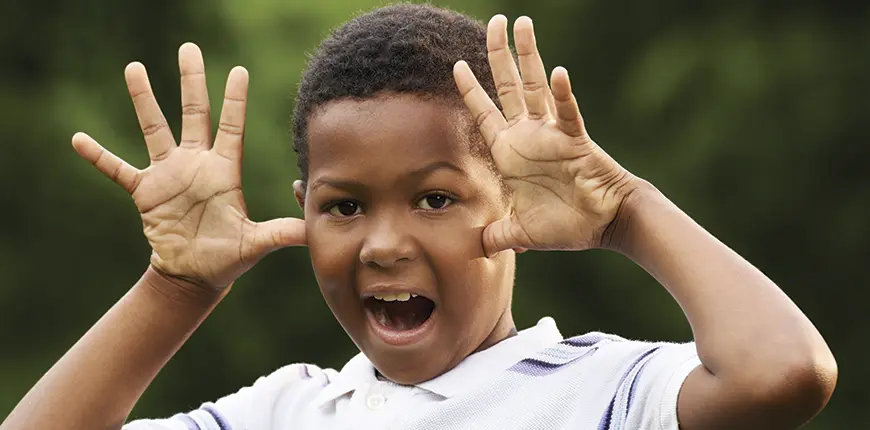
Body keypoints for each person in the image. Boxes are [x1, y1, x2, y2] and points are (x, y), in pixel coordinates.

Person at [0, 4, 837, 430]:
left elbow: (785, 375)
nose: (385, 242)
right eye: (344, 207)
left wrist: (627, 212)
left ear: (511, 202)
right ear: (302, 214)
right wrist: (175, 288)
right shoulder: (293, 410)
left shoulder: (600, 390)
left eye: (435, 198)